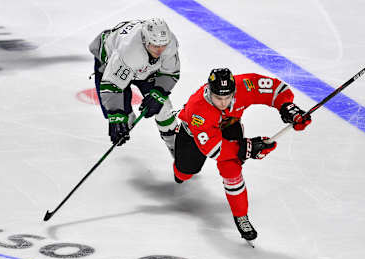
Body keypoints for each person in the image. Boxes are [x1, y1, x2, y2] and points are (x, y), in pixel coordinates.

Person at [173, 68, 312, 243]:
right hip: (195, 135)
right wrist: (249, 148)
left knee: (231, 167)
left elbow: (276, 90)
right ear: (209, 91)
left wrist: (287, 107)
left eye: (227, 97)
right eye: (218, 98)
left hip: (228, 125)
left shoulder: (244, 85)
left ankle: (241, 216)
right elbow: (214, 149)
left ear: (234, 91)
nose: (223, 103)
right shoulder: (198, 109)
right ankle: (175, 143)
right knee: (183, 173)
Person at [88, 18, 180, 155]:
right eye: (155, 45)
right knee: (124, 120)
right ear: (145, 40)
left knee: (163, 108)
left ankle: (176, 147)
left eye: (163, 45)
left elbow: (170, 73)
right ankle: (127, 114)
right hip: (111, 64)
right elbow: (112, 85)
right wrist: (117, 116)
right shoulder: (128, 51)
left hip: (146, 69)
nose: (160, 50)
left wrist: (159, 93)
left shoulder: (170, 43)